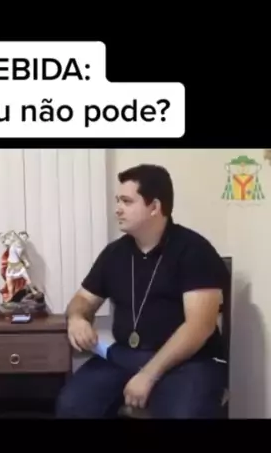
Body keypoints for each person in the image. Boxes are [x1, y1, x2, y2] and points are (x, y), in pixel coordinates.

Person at [56, 164, 230, 419]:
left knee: (183, 415)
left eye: (126, 201)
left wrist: (149, 374)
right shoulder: (114, 253)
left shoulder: (194, 250)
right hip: (125, 357)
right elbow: (83, 299)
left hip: (189, 361)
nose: (117, 209)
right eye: (118, 201)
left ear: (154, 207)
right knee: (72, 406)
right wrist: (77, 318)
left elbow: (199, 327)